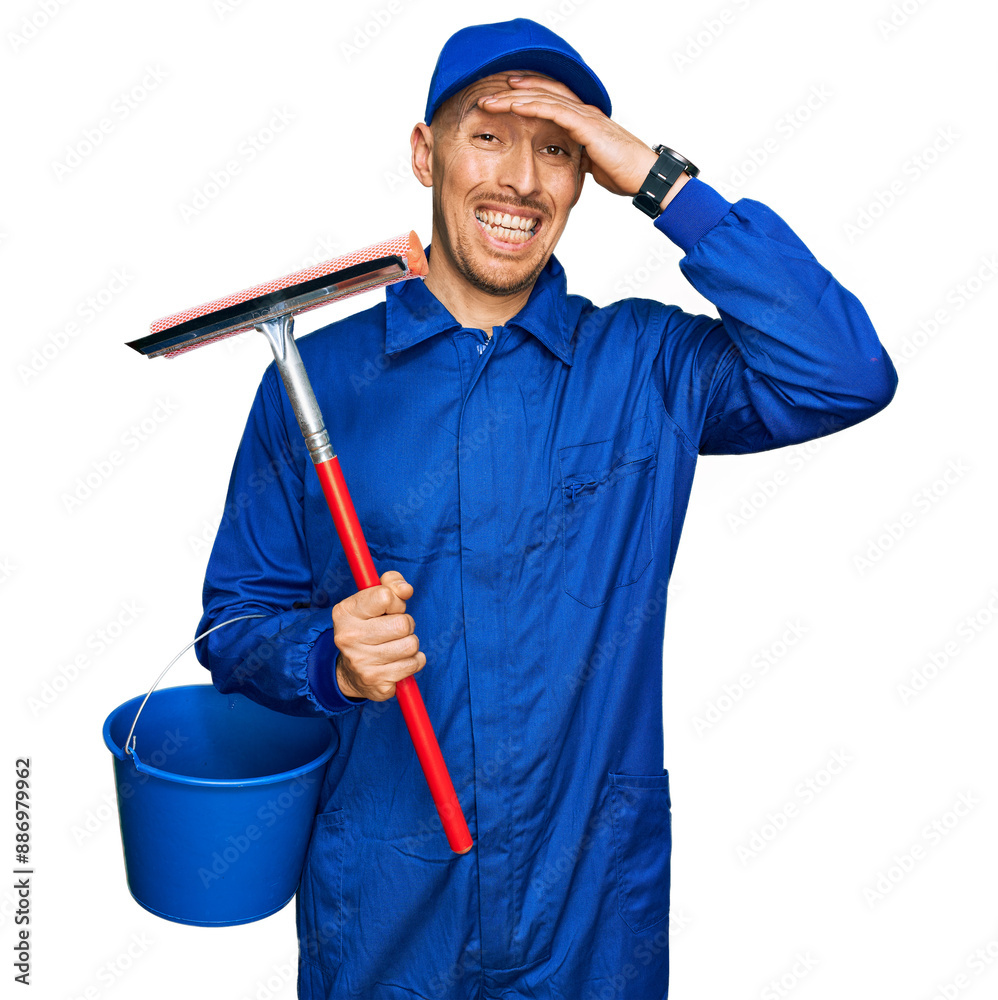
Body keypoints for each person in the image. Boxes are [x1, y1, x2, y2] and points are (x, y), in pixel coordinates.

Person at [195, 17, 897, 1000]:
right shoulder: (316, 383)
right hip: (389, 920)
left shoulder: (648, 369)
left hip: (588, 920)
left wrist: (659, 180)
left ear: (584, 179)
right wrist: (325, 656)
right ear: (421, 152)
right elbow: (232, 623)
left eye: (558, 146)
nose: (522, 179)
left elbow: (841, 374)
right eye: (488, 133)